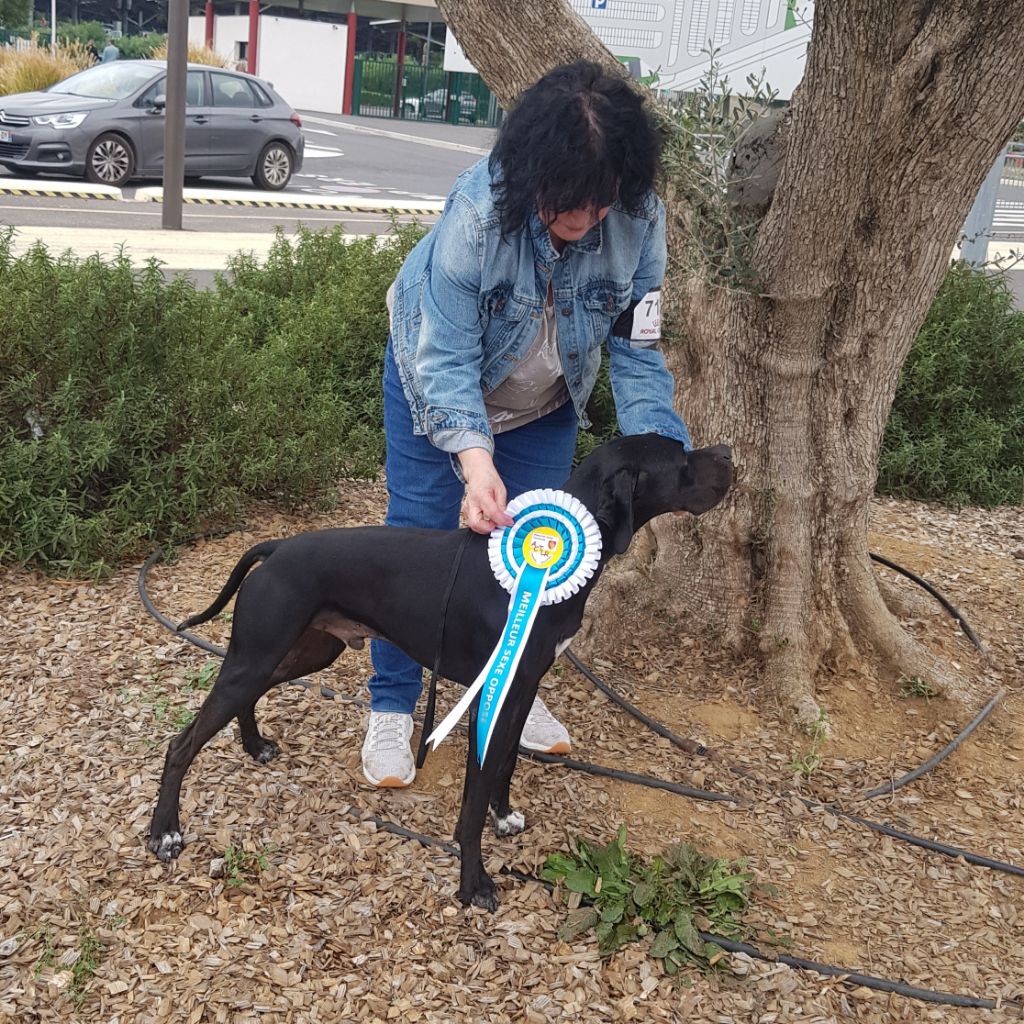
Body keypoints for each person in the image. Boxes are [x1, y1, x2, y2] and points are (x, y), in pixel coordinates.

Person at [361, 60, 692, 788]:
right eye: (568, 203)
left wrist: (661, 452)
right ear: (530, 173)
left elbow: (637, 346)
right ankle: (390, 705)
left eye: (600, 204)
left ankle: (514, 690)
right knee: (414, 544)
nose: (585, 221)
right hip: (438, 387)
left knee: (538, 555)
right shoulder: (476, 220)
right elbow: (444, 360)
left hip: (547, 401)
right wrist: (476, 466)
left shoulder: (639, 218)